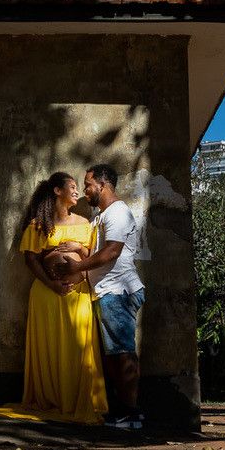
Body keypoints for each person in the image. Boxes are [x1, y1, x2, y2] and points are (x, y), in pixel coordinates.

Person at [0, 172, 108, 424]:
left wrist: (78, 248)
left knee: (79, 350)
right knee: (51, 348)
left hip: (77, 295)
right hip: (47, 295)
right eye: (72, 187)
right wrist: (52, 284)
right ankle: (52, 399)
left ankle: (79, 400)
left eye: (79, 187)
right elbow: (30, 259)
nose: (77, 192)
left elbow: (90, 254)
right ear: (57, 191)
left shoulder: (84, 223)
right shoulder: (39, 224)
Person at [52, 164, 145, 430]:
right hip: (107, 293)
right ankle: (124, 411)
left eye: (89, 184)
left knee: (123, 353)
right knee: (114, 354)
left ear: (103, 185)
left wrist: (75, 267)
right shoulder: (101, 217)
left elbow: (111, 253)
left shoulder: (117, 213)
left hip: (119, 292)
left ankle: (132, 414)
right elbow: (100, 249)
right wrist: (79, 248)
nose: (85, 191)